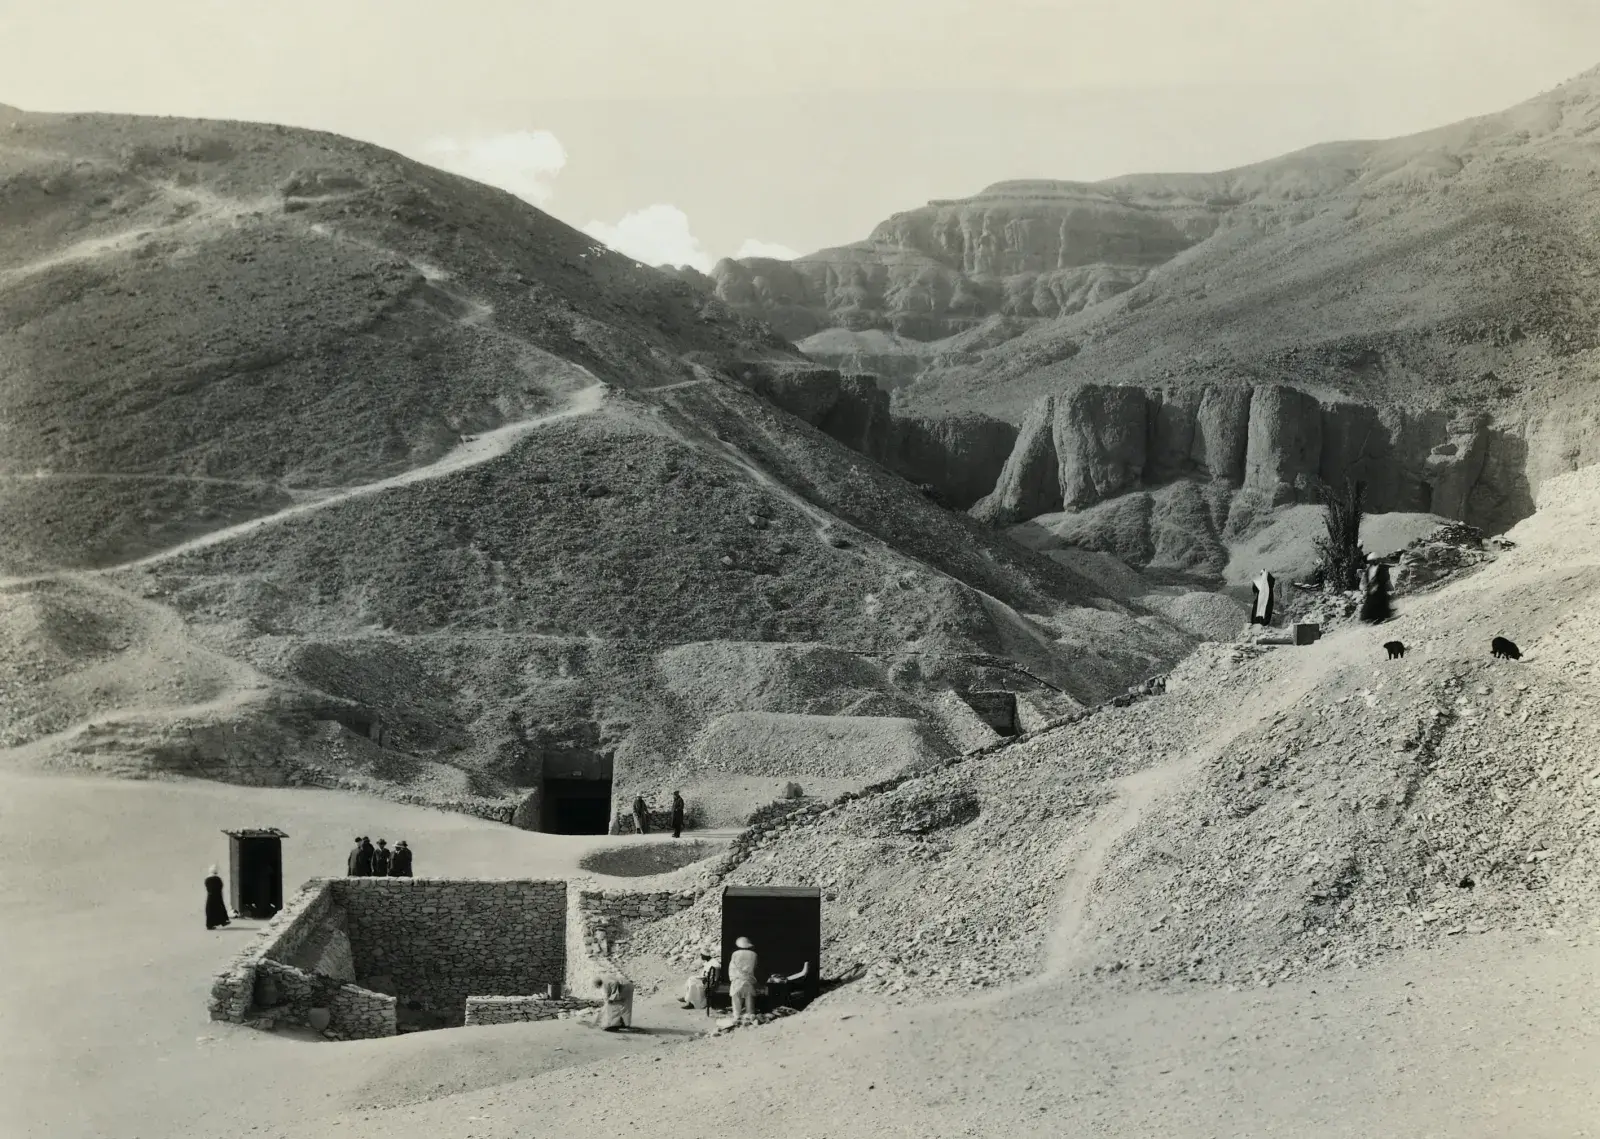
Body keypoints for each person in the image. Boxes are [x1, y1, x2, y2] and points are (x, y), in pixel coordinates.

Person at [728, 936, 759, 1019]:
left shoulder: (735, 954)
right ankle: (750, 1016)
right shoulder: (754, 955)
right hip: (749, 981)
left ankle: (736, 1016)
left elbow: (732, 967)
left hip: (737, 981)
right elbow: (755, 967)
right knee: (749, 1002)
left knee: (736, 1002)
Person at [204, 866, 230, 930]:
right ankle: (222, 921)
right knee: (220, 909)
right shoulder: (217, 879)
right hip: (218, 896)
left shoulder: (207, 879)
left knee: (210, 910)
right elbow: (221, 886)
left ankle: (209, 925)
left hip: (210, 896)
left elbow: (207, 887)